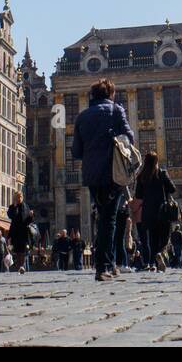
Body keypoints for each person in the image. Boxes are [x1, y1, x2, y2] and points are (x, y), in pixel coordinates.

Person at [71, 78, 133, 282]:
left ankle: (110, 264)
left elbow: (76, 151)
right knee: (109, 219)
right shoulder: (116, 111)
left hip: (91, 174)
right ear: (110, 94)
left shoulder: (82, 116)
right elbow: (129, 137)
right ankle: (103, 266)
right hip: (112, 171)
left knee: (103, 218)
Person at [133, 151, 176, 272]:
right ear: (156, 161)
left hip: (148, 212)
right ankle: (160, 254)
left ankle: (152, 263)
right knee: (164, 237)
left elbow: (138, 195)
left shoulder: (141, 176)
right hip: (163, 210)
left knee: (152, 238)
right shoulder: (162, 173)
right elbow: (173, 188)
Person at [7, 191, 32, 273]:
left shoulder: (26, 206)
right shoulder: (12, 207)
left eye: (20, 197)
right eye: (17, 197)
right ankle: (19, 266)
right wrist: (14, 207)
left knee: (23, 250)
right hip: (15, 232)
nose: (19, 199)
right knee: (17, 251)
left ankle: (21, 266)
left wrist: (31, 216)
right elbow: (11, 216)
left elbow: (28, 221)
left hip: (24, 232)